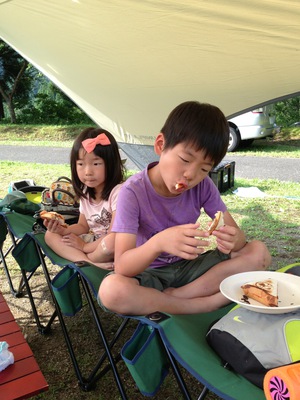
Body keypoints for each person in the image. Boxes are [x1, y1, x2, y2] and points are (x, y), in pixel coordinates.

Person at [99, 101, 272, 314]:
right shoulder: (132, 192)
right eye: (185, 159)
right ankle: (208, 303)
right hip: (150, 274)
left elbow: (239, 239)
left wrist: (235, 239)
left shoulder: (203, 186)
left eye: (204, 169)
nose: (191, 175)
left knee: (258, 252)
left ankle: (179, 297)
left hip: (190, 270)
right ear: (161, 145)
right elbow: (123, 266)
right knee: (112, 290)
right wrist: (159, 243)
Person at [44, 127, 125, 269]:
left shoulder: (119, 192)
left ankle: (88, 259)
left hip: (114, 244)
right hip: (94, 242)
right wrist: (63, 230)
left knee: (111, 243)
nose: (88, 172)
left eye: (96, 164)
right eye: (81, 164)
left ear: (111, 164)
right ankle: (89, 263)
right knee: (50, 235)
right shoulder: (86, 192)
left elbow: (114, 235)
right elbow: (82, 226)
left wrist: (84, 246)